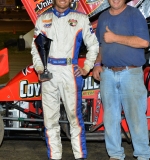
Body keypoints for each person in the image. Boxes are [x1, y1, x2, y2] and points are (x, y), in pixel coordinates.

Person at [31, 0, 99, 160]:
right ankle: (54, 157)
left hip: (70, 72)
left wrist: (86, 67)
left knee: (74, 118)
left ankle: (80, 156)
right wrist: (40, 69)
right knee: (50, 120)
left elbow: (94, 45)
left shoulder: (80, 18)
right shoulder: (43, 19)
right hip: (49, 73)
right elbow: (35, 49)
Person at [92, 0, 150, 160]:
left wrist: (115, 38)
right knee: (110, 118)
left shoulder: (135, 14)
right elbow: (102, 45)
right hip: (108, 74)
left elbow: (144, 42)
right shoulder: (103, 17)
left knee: (136, 117)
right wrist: (97, 63)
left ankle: (143, 155)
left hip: (130, 74)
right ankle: (115, 155)